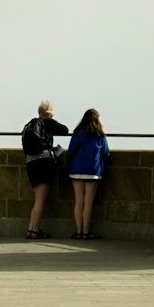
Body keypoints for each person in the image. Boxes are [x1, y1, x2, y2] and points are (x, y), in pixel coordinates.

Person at [23, 99, 68, 239]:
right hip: (43, 163)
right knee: (41, 199)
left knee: (37, 198)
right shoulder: (46, 121)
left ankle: (31, 229)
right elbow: (65, 130)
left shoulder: (29, 124)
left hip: (31, 162)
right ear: (48, 113)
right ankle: (34, 231)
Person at [67, 108, 110, 239]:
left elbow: (71, 151)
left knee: (78, 201)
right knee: (88, 202)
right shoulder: (99, 136)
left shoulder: (78, 133)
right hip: (93, 171)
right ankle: (86, 232)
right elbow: (106, 153)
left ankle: (78, 231)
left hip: (76, 170)